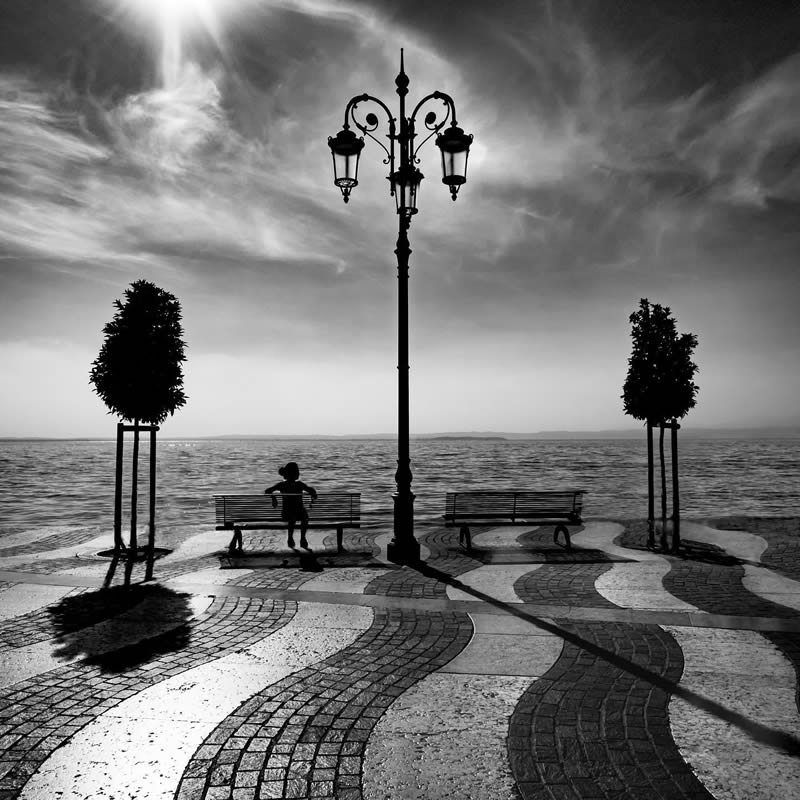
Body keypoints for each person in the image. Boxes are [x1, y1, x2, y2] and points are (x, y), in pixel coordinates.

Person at [265, 462, 317, 548]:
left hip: (287, 513)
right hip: (299, 513)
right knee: (303, 517)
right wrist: (312, 496)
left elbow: (267, 491)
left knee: (293, 516)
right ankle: (303, 538)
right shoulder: (300, 484)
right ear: (296, 473)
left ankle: (290, 538)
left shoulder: (282, 485)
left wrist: (273, 498)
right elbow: (312, 491)